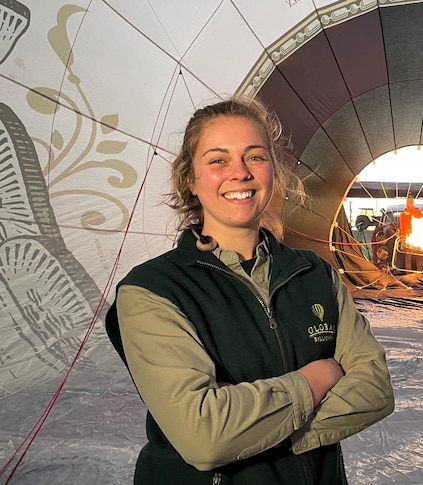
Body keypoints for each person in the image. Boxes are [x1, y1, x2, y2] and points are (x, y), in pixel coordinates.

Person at [105, 96, 395, 484]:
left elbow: (376, 389)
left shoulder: (316, 275)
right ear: (190, 179)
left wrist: (250, 430)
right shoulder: (152, 291)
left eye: (255, 157)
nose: (239, 172)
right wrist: (320, 376)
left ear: (274, 171)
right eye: (218, 159)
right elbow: (204, 436)